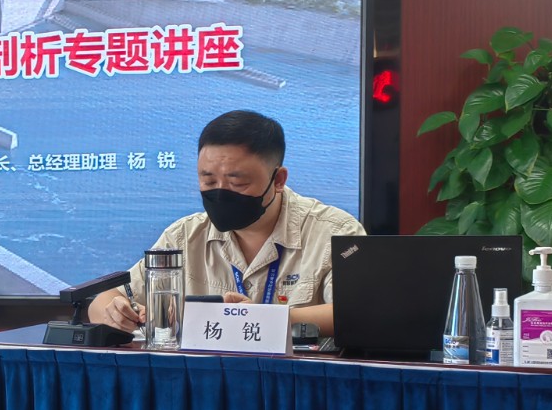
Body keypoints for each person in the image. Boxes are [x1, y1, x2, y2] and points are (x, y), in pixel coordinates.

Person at [89, 109, 363, 337]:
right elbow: (105, 301)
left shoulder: (335, 232)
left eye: (237, 183)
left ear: (278, 180)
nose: (220, 192)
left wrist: (256, 319)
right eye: (208, 181)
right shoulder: (184, 236)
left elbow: (360, 311)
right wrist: (115, 312)